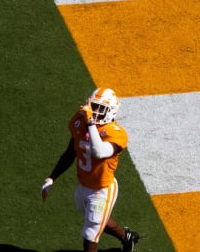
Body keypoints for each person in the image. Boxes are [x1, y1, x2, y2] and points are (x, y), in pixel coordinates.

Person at [41, 88, 140, 252]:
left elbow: (99, 152)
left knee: (90, 234)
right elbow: (70, 152)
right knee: (96, 220)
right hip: (83, 186)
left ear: (111, 111)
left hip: (102, 190)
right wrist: (52, 178)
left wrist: (91, 124)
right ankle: (127, 237)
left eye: (101, 108)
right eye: (94, 106)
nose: (95, 111)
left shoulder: (116, 133)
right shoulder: (80, 122)